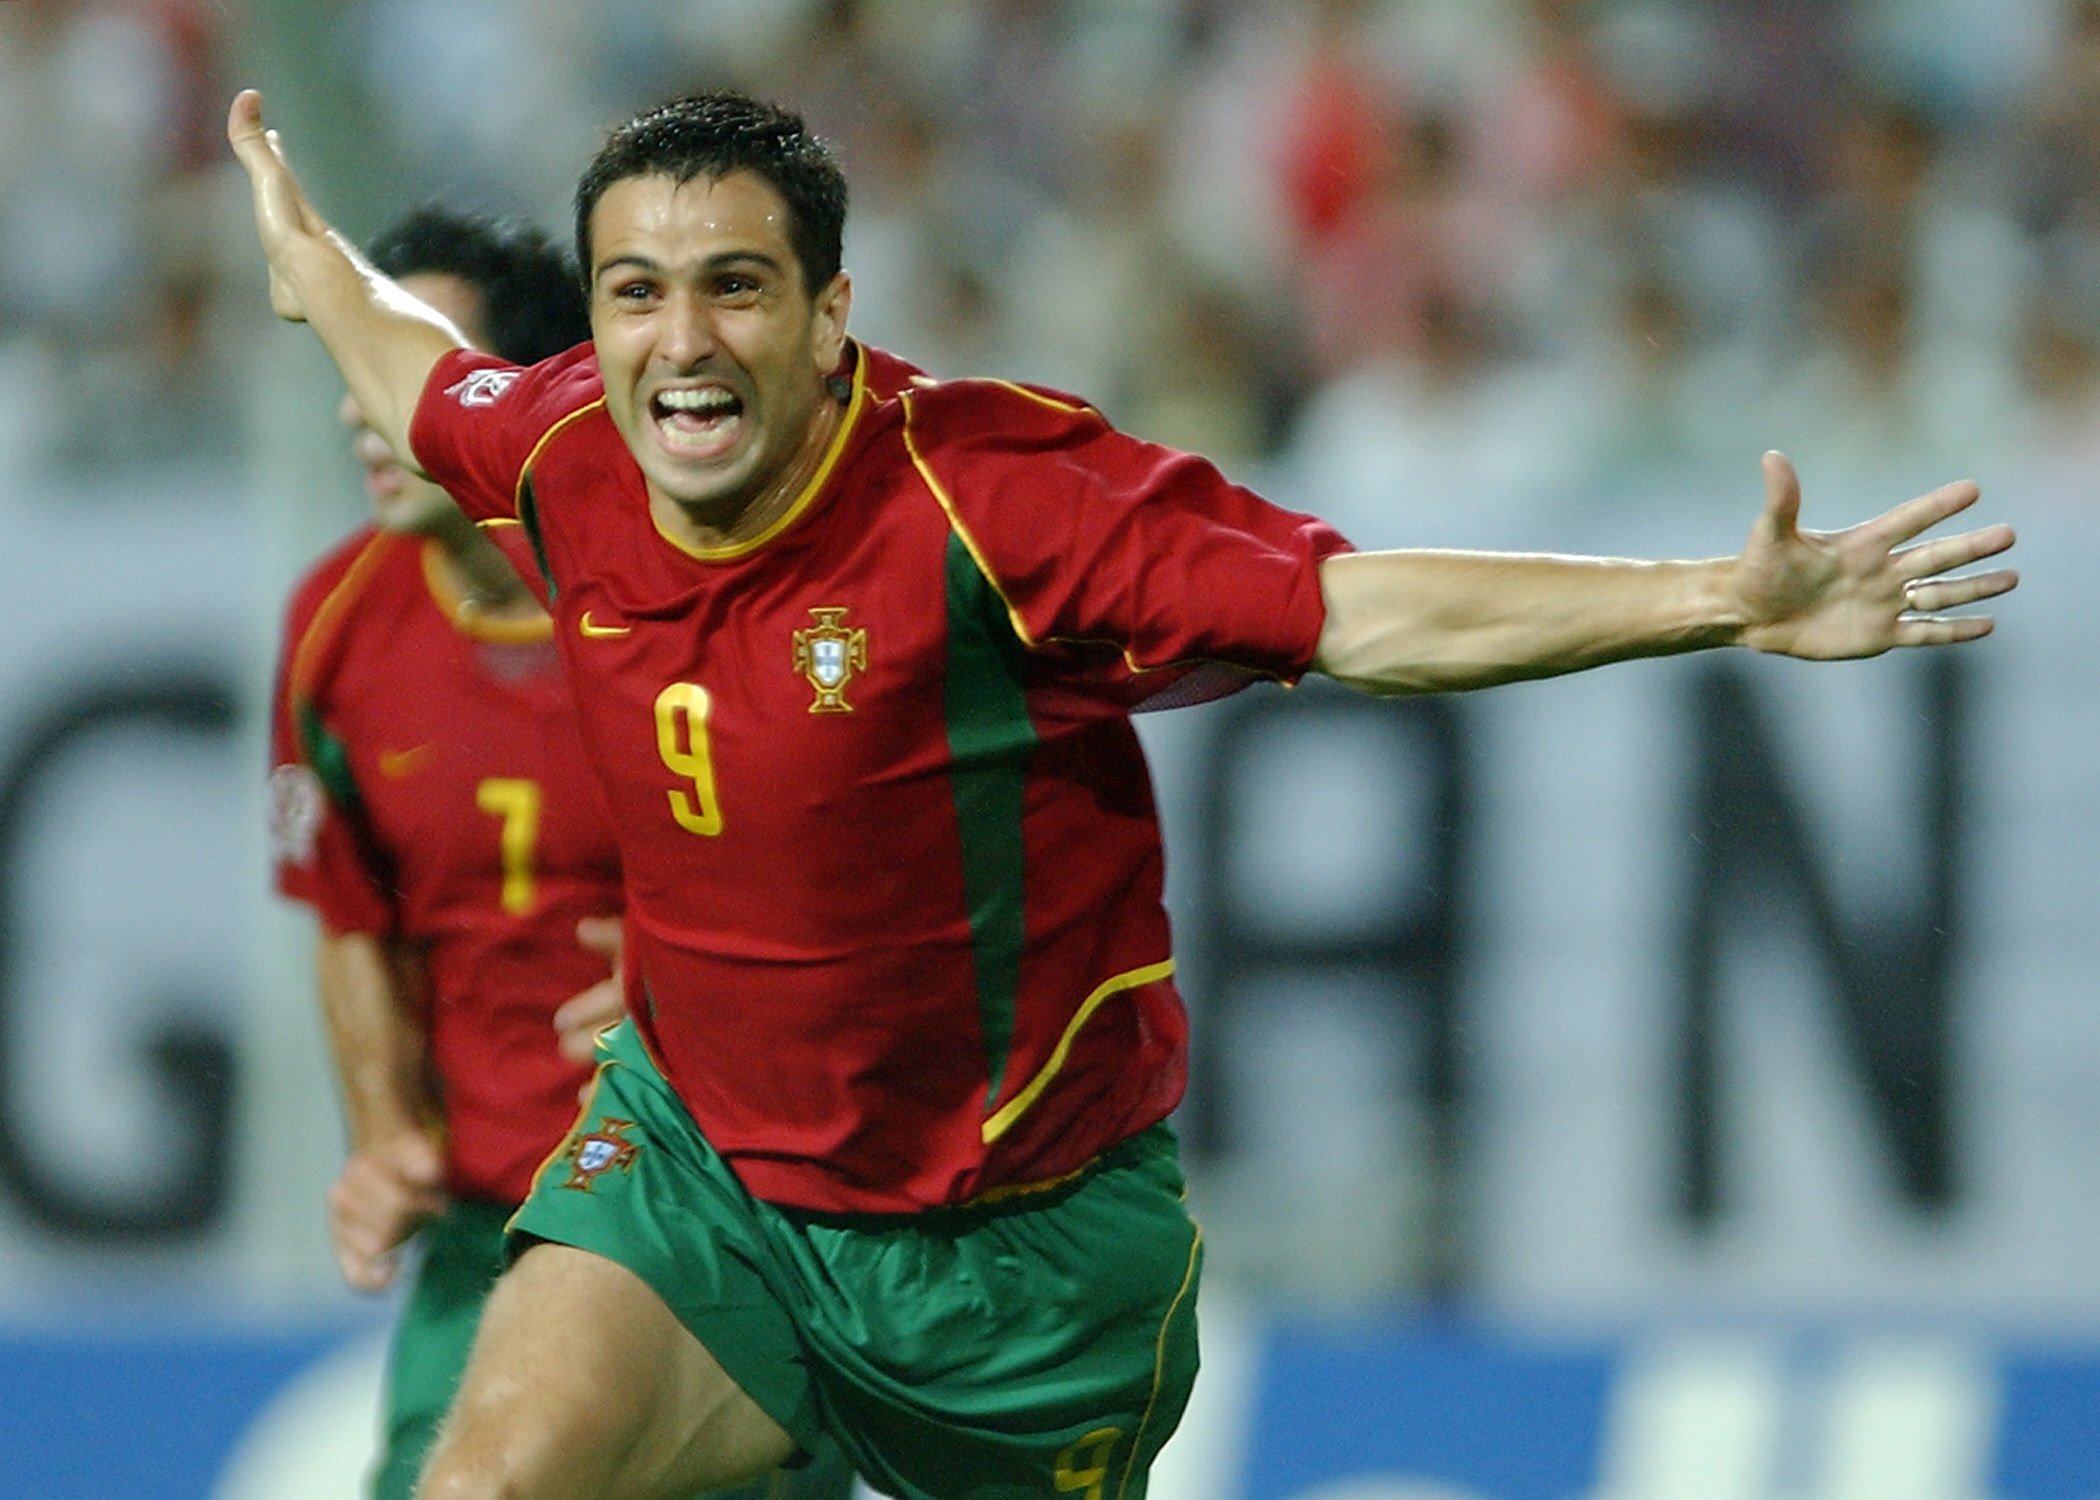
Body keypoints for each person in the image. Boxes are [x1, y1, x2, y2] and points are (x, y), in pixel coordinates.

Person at [231, 87, 2016, 1500]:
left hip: (1018, 1247)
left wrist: (1713, 595)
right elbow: (403, 359)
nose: (679, 342)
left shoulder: (999, 501)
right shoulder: (558, 449)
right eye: (635, 291)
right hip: (704, 1173)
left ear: (833, 310)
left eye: (736, 287)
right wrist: (306, 251)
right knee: (484, 1487)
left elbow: (1359, 611)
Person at [265, 204, 857, 1500]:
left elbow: (854, 869)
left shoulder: (687, 599)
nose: (368, 412)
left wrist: (700, 957)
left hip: (722, 1221)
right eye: (354, 371)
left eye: (402, 369)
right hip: (490, 1235)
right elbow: (348, 914)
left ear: (504, 401)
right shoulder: (335, 629)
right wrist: (381, 1135)